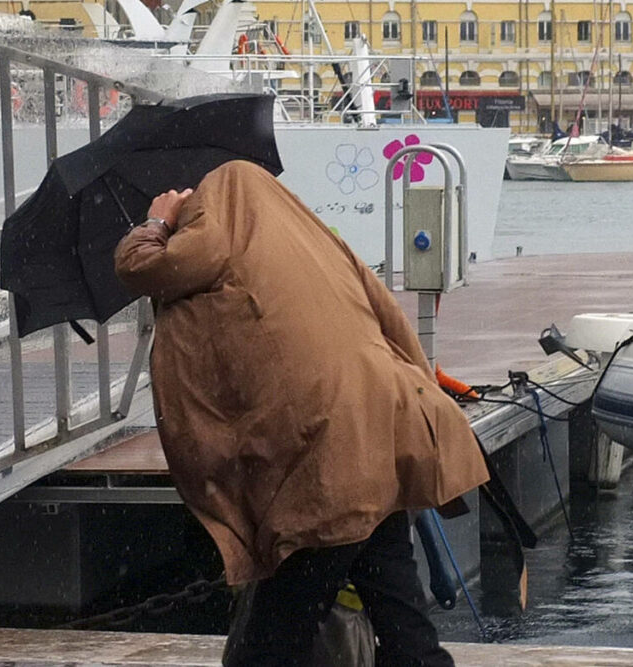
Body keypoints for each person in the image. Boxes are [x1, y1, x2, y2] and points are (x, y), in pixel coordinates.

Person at [114, 160, 490, 666]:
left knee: (268, 645)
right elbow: (393, 322)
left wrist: (159, 221)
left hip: (326, 461)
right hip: (384, 435)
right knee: (405, 627)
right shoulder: (316, 241)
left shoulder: (215, 231)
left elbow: (142, 267)